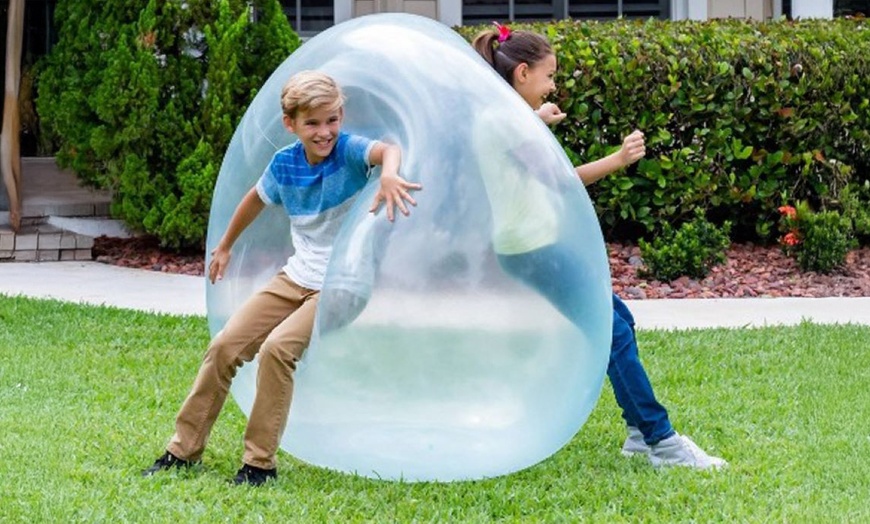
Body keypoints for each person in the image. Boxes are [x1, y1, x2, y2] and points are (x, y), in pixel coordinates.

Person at [142, 70, 422, 486]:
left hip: (343, 284)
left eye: (332, 120)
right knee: (223, 347)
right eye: (312, 123)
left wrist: (387, 173)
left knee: (277, 350)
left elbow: (389, 150)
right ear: (290, 124)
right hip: (296, 278)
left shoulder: (348, 152)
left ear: (341, 116)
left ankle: (258, 464)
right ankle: (183, 450)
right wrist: (225, 245)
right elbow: (254, 200)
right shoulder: (284, 164)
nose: (325, 132)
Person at [472, 24, 726, 470]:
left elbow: (517, 144)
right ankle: (660, 440)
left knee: (618, 320)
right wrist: (620, 159)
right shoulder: (501, 121)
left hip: (536, 243)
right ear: (523, 73)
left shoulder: (504, 115)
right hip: (532, 249)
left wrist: (537, 118)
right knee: (612, 332)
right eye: (549, 76)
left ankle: (637, 433)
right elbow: (558, 179)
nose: (554, 86)